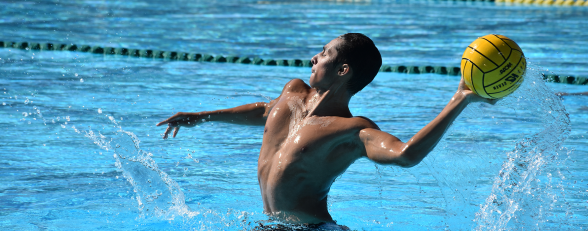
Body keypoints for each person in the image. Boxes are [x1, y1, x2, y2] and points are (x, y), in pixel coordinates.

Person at [157, 33, 497, 227]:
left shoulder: (351, 131)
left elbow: (406, 155)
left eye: (323, 53)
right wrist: (201, 116)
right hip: (269, 225)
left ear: (342, 69)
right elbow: (264, 111)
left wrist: (459, 100)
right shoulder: (291, 94)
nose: (314, 58)